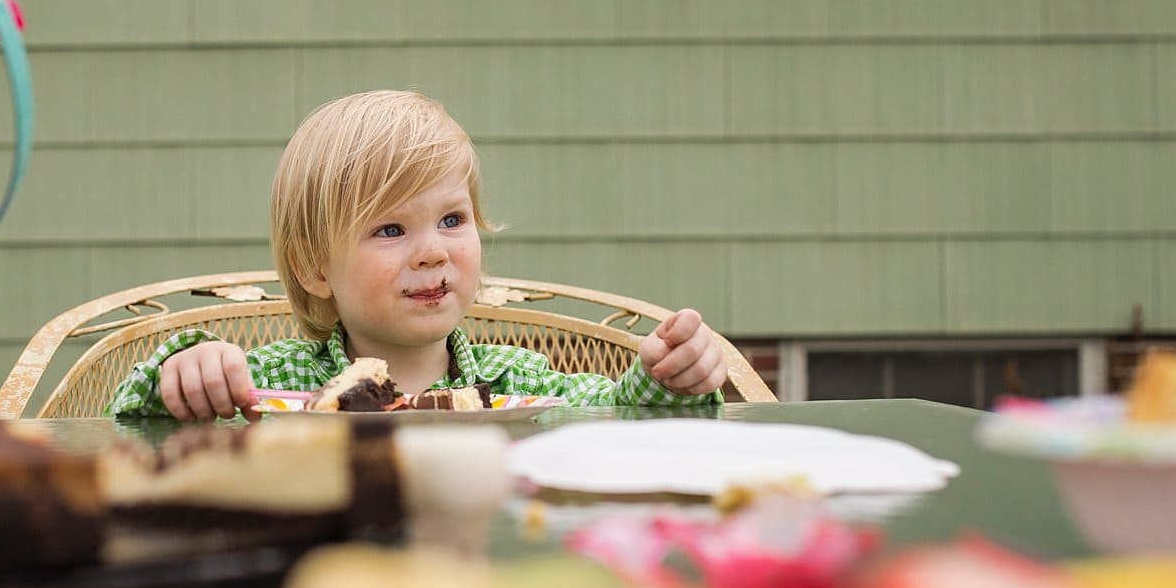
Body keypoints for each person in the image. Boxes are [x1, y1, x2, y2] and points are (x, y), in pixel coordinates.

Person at [107, 90, 730, 420]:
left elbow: (620, 420)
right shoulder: (272, 386)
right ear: (314, 268)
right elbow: (132, 427)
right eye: (389, 230)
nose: (432, 253)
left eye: (452, 220)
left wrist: (669, 380)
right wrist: (186, 376)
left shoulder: (514, 380)